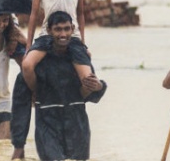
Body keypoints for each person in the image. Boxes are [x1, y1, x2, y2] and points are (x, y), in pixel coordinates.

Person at [14, 11, 107, 160]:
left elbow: (92, 90)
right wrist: (19, 145)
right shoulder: (37, 66)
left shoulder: (79, 58)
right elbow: (20, 104)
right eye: (58, 29)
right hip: (48, 125)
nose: (63, 34)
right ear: (49, 31)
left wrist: (99, 87)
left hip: (76, 123)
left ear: (72, 29)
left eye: (66, 29)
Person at [24, 0, 93, 97]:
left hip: (72, 36)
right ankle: (37, 94)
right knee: (27, 65)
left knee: (89, 76)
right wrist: (28, 45)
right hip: (47, 35)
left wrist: (82, 42)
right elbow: (34, 14)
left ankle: (77, 100)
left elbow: (80, 13)